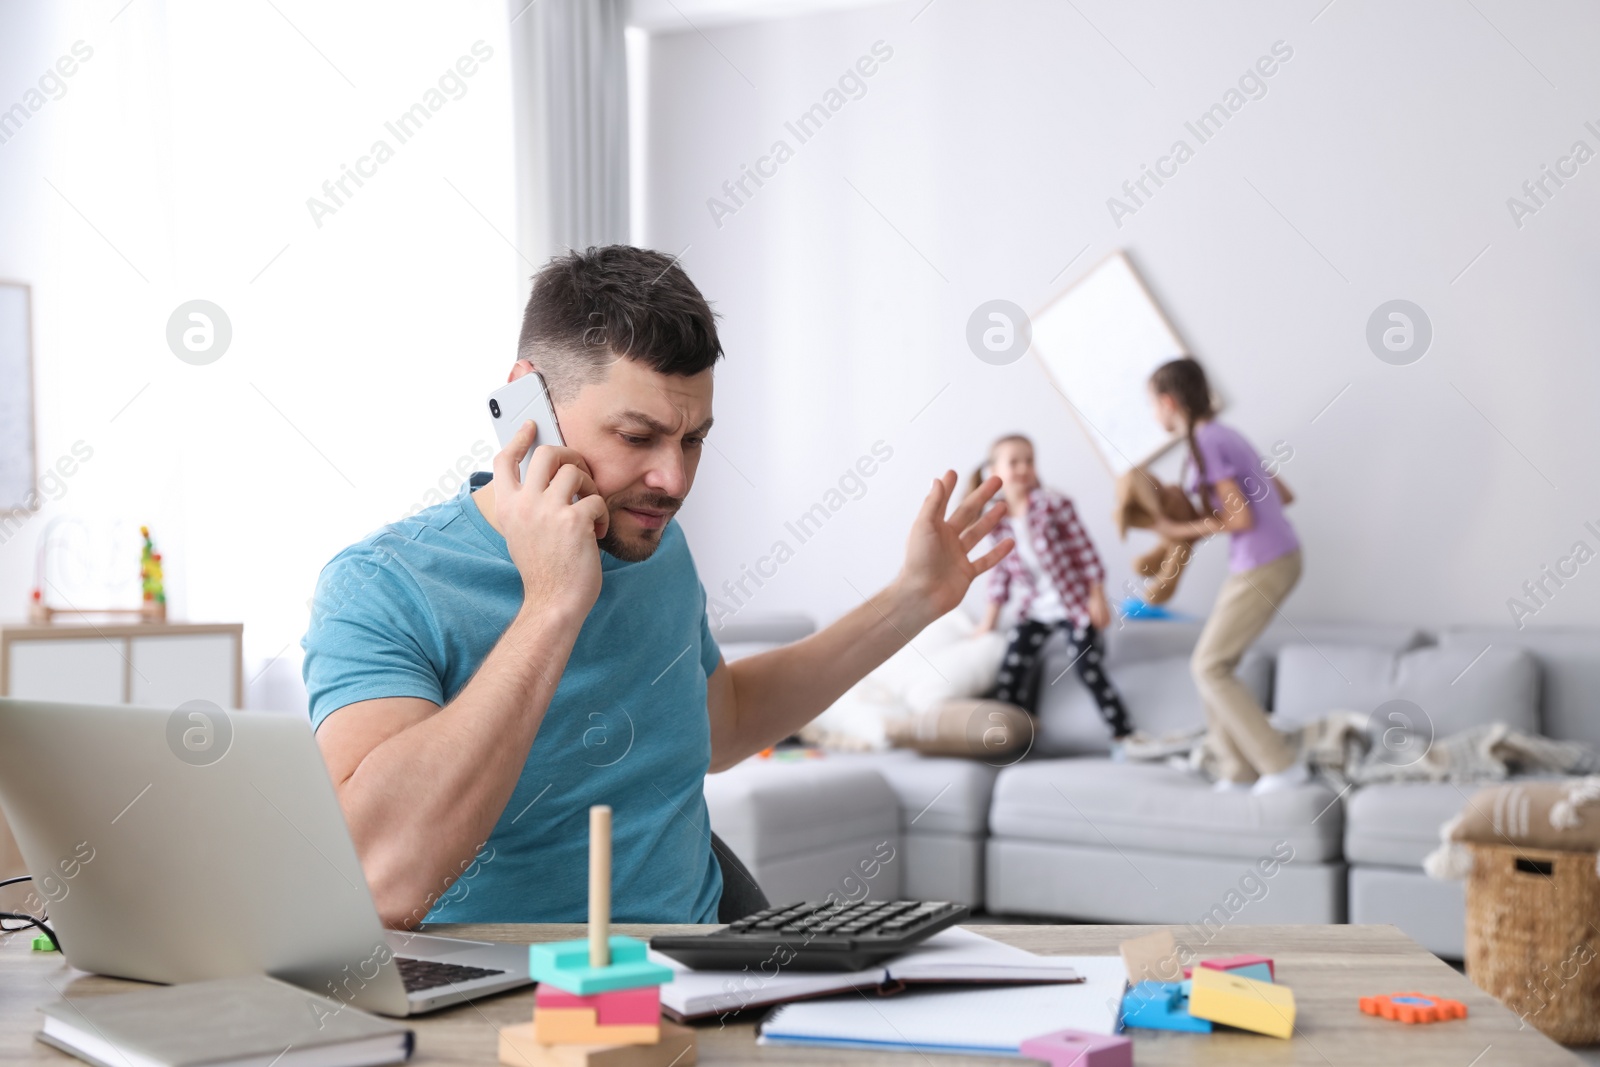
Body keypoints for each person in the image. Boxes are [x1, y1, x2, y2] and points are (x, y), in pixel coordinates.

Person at [301, 245, 1014, 928]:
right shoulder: (383, 585)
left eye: (694, 438)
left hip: (694, 982)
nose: (674, 481)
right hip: (513, 1012)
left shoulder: (655, 545)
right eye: (637, 436)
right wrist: (553, 604)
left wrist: (913, 599)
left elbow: (722, 725)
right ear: (528, 402)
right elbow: (382, 878)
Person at [1146, 357, 1305, 795]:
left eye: (1152, 405)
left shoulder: (1206, 443)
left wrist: (1176, 531)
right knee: (1214, 664)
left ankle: (1281, 766)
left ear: (1168, 402)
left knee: (1209, 666)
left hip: (1264, 559)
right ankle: (1237, 771)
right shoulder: (1225, 435)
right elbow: (1283, 494)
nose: (1154, 414)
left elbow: (1238, 519)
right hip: (1273, 555)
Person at [972, 434, 1132, 746]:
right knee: (1011, 670)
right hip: (1034, 609)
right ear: (993, 471)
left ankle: (1125, 736)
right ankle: (1012, 739)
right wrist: (988, 622)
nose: (1023, 467)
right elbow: (1000, 574)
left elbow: (1085, 553)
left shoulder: (1054, 505)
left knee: (1089, 667)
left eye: (1029, 460)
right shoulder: (996, 520)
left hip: (1073, 606)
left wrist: (1096, 598)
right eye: (1013, 461)